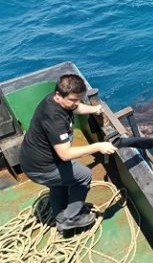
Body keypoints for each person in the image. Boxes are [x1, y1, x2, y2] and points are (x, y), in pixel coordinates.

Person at [19, 74, 117, 233]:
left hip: (32, 160)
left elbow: (76, 107)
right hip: (42, 167)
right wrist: (98, 146)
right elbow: (65, 154)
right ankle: (71, 218)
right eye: (73, 99)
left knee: (59, 186)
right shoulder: (54, 118)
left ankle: (61, 220)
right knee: (84, 175)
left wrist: (94, 109)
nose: (76, 103)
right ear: (58, 95)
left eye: (79, 99)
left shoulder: (57, 100)